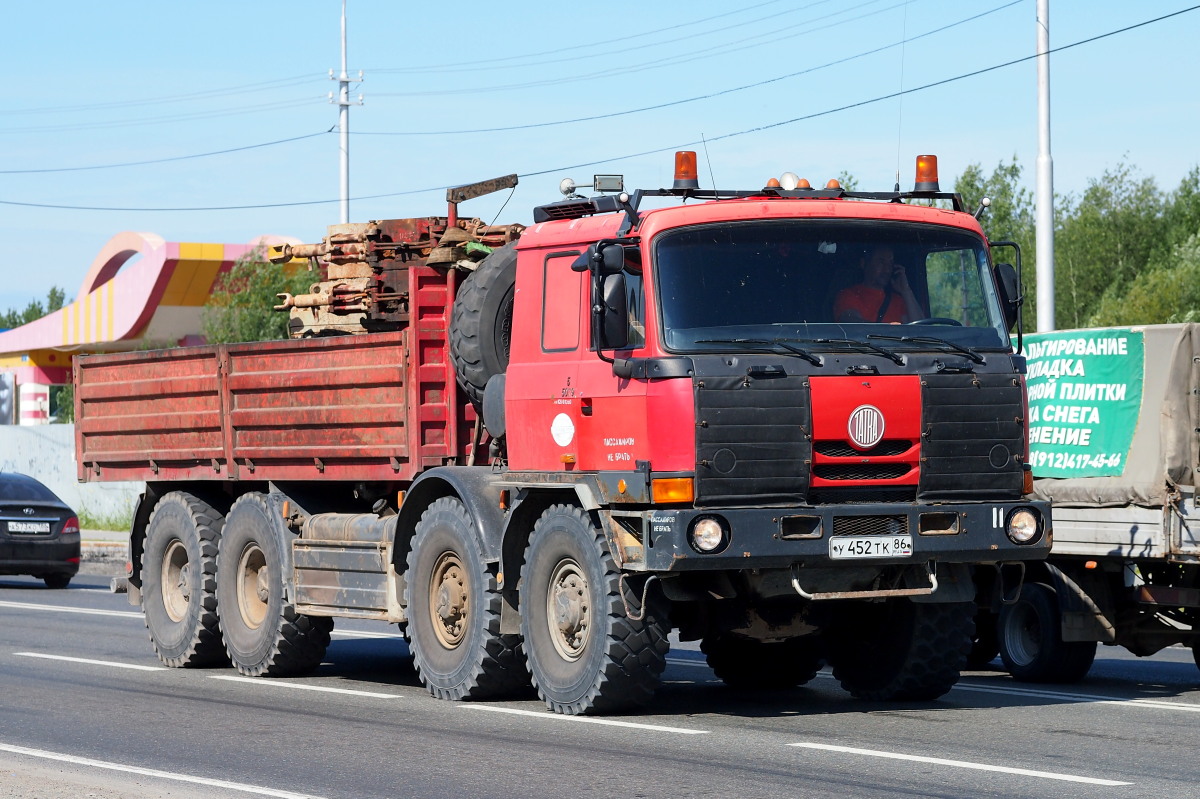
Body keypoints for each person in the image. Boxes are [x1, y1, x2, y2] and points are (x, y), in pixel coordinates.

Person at [833, 245, 923, 324]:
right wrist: (890, 330)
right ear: (864, 263)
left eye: (890, 263)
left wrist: (906, 291)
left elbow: (922, 331)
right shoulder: (848, 295)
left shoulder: (898, 301)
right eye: (881, 262)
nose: (887, 270)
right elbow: (852, 323)